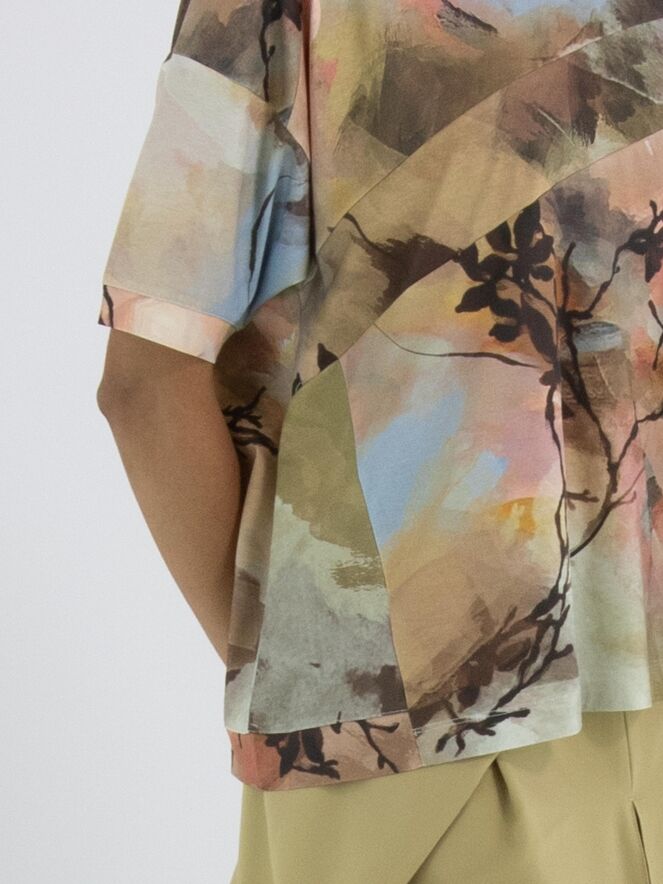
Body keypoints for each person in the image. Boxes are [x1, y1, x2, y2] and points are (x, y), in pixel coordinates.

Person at [96, 1, 663, 880]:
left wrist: (317, 672)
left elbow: (146, 383)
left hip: (415, 736)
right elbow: (146, 388)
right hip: (468, 751)